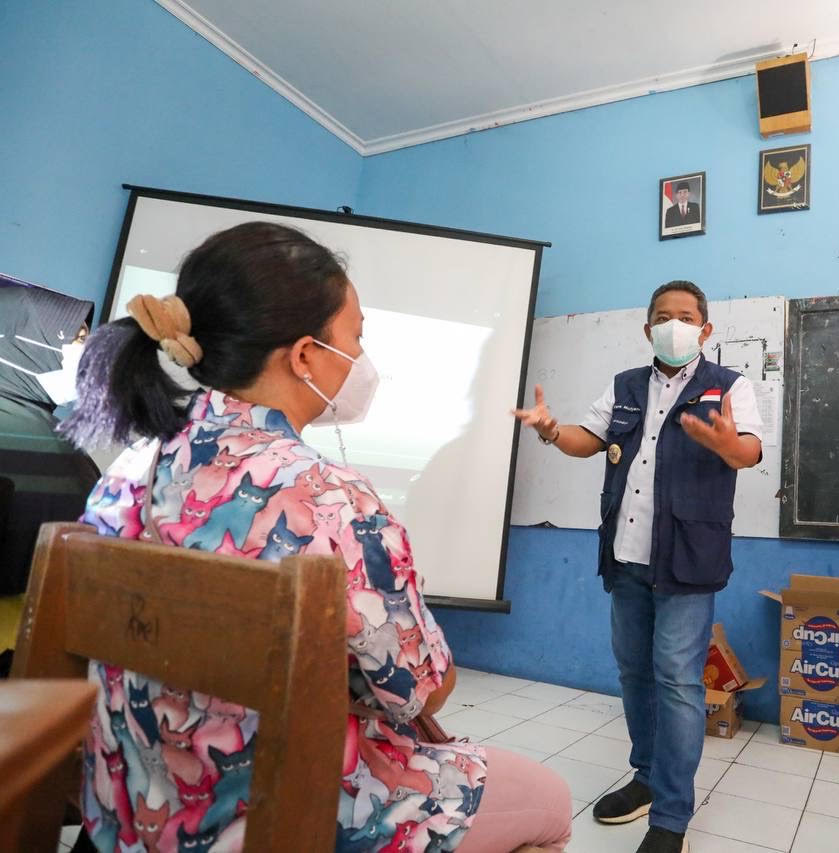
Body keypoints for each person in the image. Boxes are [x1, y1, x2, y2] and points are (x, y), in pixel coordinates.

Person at [63, 222, 571, 852]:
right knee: (550, 803)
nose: (362, 359)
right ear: (304, 355)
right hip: (268, 808)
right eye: (355, 337)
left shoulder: (128, 468)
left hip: (125, 795)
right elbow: (424, 690)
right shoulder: (333, 500)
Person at [512, 280, 763, 853]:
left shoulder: (730, 386)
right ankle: (647, 776)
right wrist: (552, 430)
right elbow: (588, 438)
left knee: (677, 681)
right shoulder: (626, 385)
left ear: (705, 329)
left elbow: (749, 451)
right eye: (661, 316)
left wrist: (726, 441)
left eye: (685, 316)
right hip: (625, 556)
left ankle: (671, 817)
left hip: (688, 563)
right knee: (634, 674)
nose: (672, 324)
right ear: (646, 327)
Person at [0, 275, 97, 671]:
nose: (87, 353)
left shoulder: (47, 434)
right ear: (21, 338)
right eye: (76, 339)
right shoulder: (48, 446)